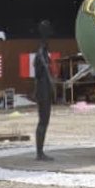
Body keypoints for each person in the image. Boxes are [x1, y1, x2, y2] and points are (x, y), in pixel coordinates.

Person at [33, 20, 56, 161]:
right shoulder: (41, 53)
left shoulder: (43, 53)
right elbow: (45, 74)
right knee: (43, 121)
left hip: (44, 90)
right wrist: (53, 88)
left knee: (44, 121)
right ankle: (39, 153)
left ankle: (40, 152)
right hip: (43, 91)